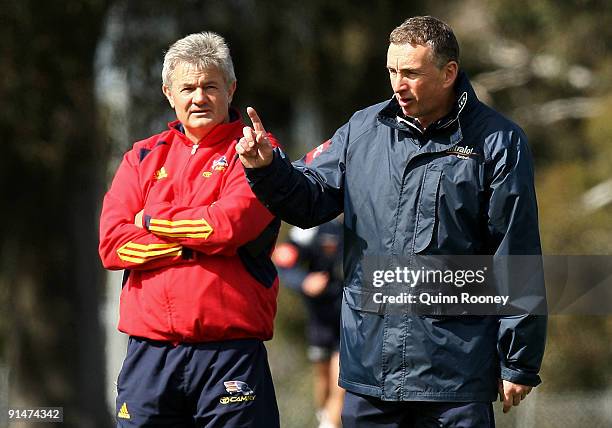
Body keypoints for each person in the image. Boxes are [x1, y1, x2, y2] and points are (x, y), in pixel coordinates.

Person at [236, 15, 547, 428]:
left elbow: (516, 251)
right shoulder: (362, 129)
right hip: (369, 375)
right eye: (392, 71)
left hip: (454, 379)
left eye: (412, 73)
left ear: (449, 72)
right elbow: (308, 203)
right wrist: (267, 168)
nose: (398, 85)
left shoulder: (499, 142)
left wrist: (518, 361)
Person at [99, 32, 281, 427]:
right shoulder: (141, 156)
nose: (199, 97)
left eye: (210, 86)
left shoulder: (258, 151)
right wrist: (192, 243)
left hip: (228, 353)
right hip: (149, 354)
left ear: (231, 89)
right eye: (188, 88)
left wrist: (147, 220)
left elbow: (227, 226)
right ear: (169, 93)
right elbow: (113, 246)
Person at [272, 218, 345, 428]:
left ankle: (331, 422)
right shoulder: (312, 228)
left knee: (341, 377)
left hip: (351, 321)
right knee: (322, 379)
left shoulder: (366, 224)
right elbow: (284, 259)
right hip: (321, 318)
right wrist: (304, 281)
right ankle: (324, 416)